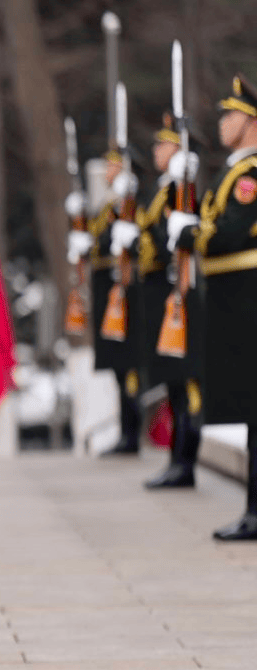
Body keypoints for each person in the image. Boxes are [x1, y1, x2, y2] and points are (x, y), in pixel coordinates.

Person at [174, 75, 257, 539]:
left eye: (230, 115)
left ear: (250, 121)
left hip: (248, 298)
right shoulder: (233, 172)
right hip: (234, 301)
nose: (222, 123)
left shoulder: (251, 175)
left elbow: (226, 233)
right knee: (249, 407)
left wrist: (186, 232)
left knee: (254, 406)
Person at [136, 112, 202, 490]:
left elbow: (180, 237)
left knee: (184, 383)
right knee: (172, 385)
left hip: (177, 292)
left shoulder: (180, 188)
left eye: (163, 144)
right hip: (159, 292)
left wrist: (184, 184)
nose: (156, 151)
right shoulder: (164, 190)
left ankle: (185, 459)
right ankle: (176, 458)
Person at [91, 150, 145, 455]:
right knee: (118, 368)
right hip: (108, 291)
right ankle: (126, 431)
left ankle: (132, 433)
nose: (107, 170)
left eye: (113, 165)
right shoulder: (110, 206)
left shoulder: (131, 204)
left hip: (125, 291)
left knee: (129, 366)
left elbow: (138, 245)